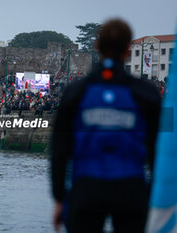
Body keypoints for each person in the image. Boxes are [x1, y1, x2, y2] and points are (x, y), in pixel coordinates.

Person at [51, 19, 161, 233]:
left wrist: (58, 198)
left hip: (86, 188)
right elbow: (158, 150)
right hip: (131, 189)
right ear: (128, 49)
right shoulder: (147, 93)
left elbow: (59, 149)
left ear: (97, 46)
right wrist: (154, 196)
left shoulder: (75, 91)